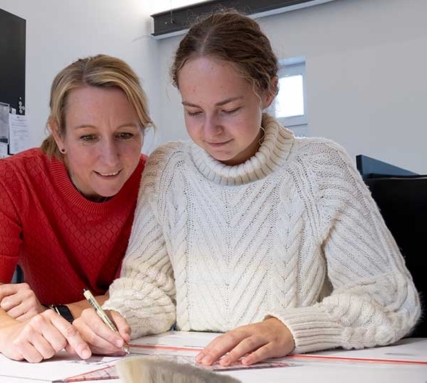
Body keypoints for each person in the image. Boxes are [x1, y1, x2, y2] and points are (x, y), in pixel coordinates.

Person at [75, 10, 421, 367]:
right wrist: (118, 317)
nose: (210, 131)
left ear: (269, 89)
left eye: (229, 109)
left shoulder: (322, 168)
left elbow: (390, 299)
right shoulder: (168, 169)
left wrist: (287, 329)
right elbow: (148, 288)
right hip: (201, 367)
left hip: (297, 371)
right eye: (193, 112)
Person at [0, 54, 153, 363]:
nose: (110, 159)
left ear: (143, 129)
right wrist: (11, 334)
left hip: (139, 341)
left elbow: (158, 294)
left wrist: (57, 313)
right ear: (58, 134)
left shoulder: (156, 181)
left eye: (125, 135)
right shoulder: (14, 181)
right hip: (56, 349)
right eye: (88, 137)